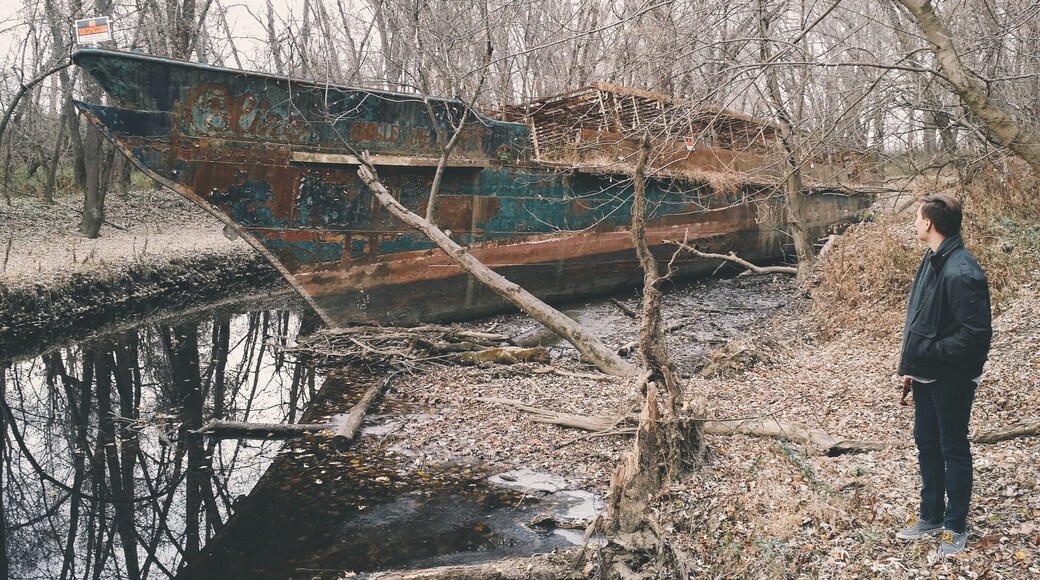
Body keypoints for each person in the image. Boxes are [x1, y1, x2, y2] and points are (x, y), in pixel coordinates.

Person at [894, 193, 992, 557]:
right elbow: (922, 321)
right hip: (927, 375)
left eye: (917, 217)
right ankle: (931, 517)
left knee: (953, 448)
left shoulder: (962, 270)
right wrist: (912, 369)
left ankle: (954, 528)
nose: (915, 223)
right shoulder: (934, 258)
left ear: (929, 223)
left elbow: (975, 335)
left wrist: (930, 357)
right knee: (927, 443)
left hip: (952, 377)